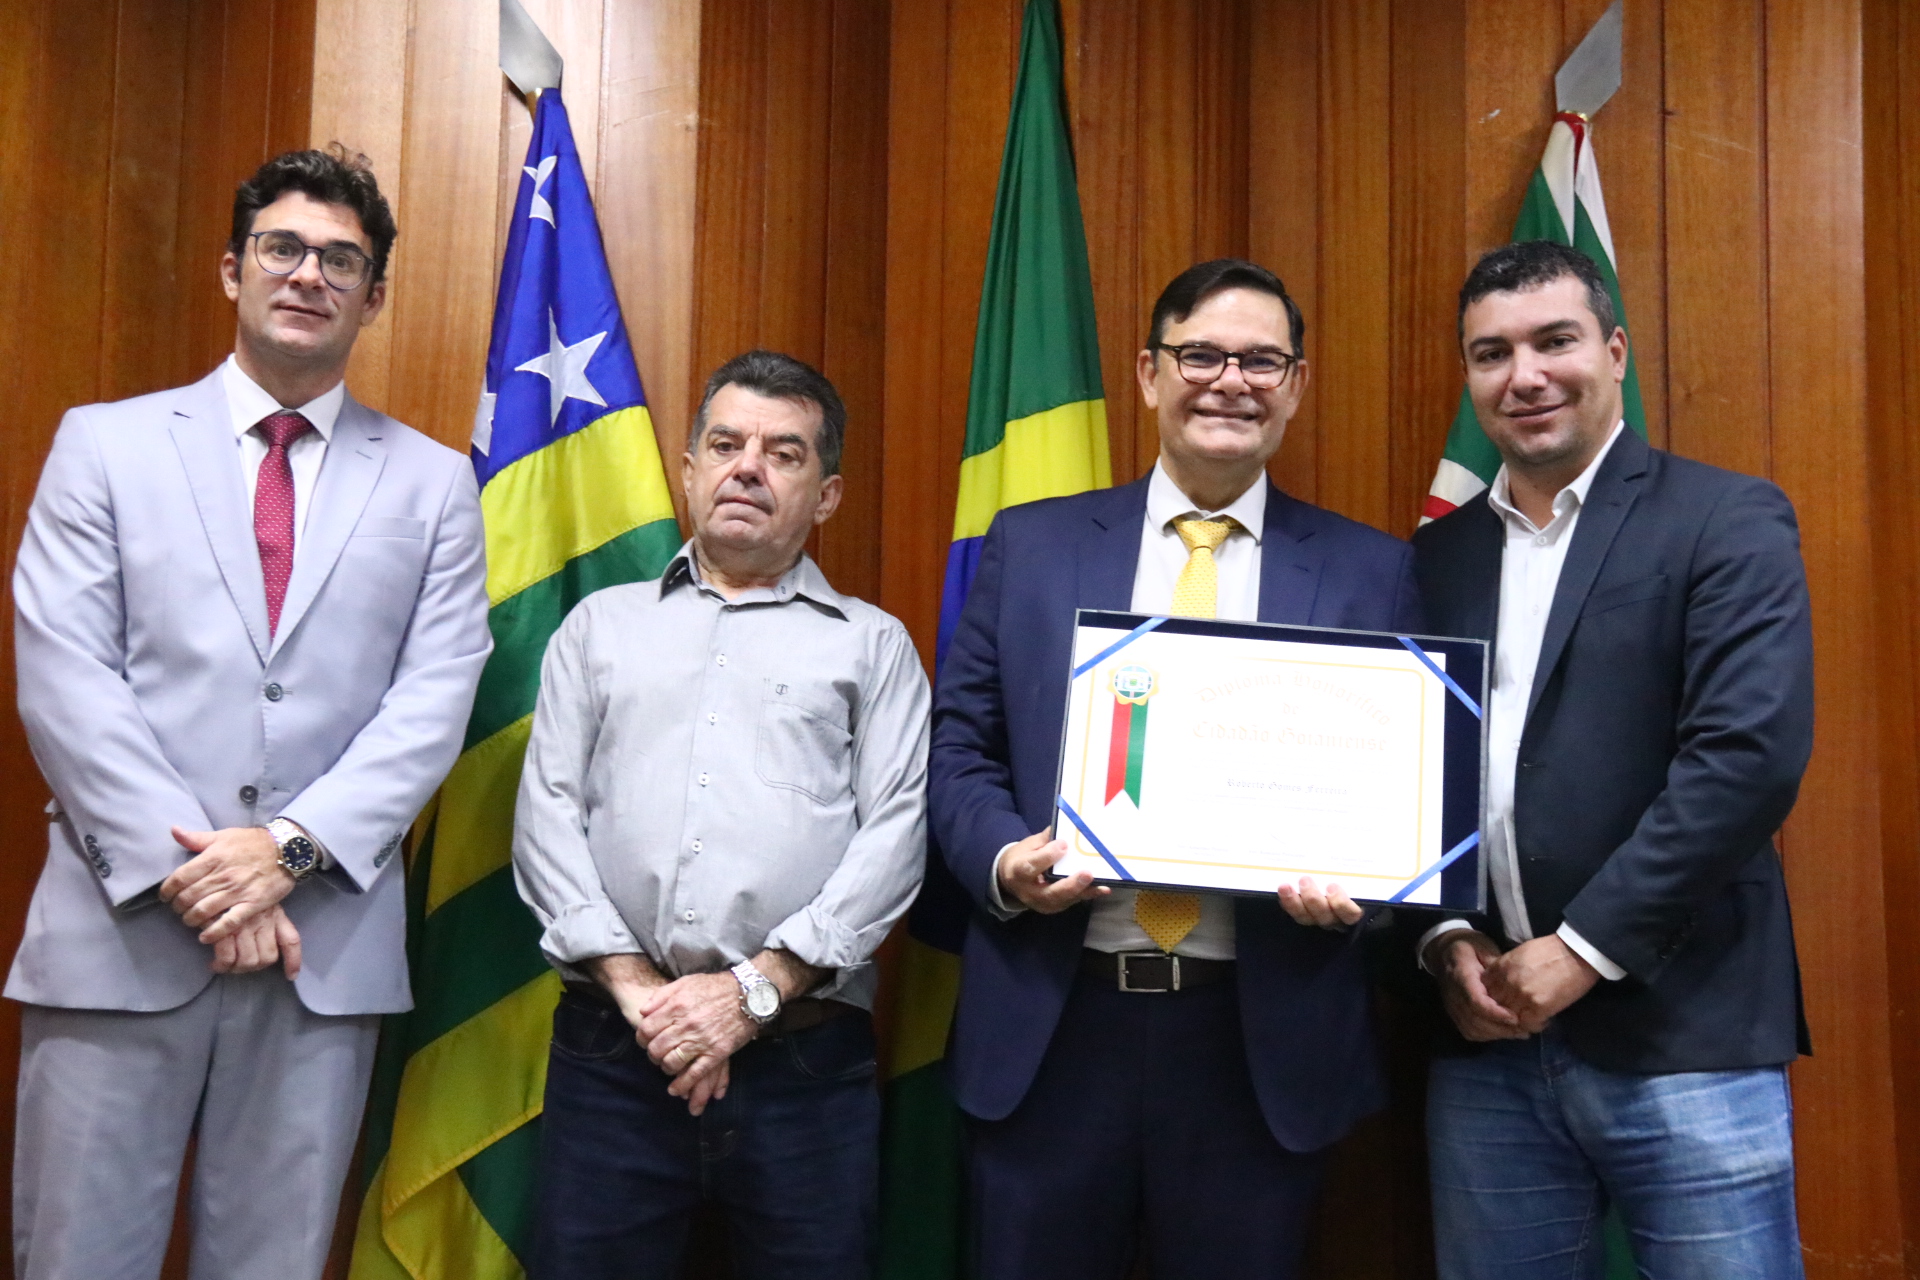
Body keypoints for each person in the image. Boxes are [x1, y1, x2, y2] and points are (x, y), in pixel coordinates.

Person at [9, 146, 491, 1279]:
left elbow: (435, 696)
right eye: (283, 248)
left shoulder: (433, 484)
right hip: (119, 935)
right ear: (234, 269)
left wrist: (286, 852)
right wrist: (202, 878)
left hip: (318, 950)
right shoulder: (104, 444)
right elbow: (65, 674)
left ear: (373, 296)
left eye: (341, 260)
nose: (308, 274)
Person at [929, 259, 1422, 1280]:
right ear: (1149, 373)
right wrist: (1007, 860)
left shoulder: (1373, 571)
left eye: (1261, 361)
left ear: (1297, 385)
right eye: (1200, 355)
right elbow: (960, 746)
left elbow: (1397, 792)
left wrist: (1363, 892)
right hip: (1055, 1027)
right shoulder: (1033, 545)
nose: (1230, 381)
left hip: (1258, 1040)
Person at [1412, 239, 1813, 1278]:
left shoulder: (1724, 518)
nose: (1526, 375)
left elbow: (1747, 759)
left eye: (1555, 340)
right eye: (1492, 353)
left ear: (1616, 351)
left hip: (1685, 1033)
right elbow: (1416, 771)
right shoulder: (1437, 556)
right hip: (1487, 1037)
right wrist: (1445, 939)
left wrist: (1583, 948)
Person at [513, 349, 930, 1279]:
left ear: (826, 495)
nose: (747, 468)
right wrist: (642, 995)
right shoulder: (599, 628)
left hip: (803, 1069)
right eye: (726, 444)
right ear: (690, 468)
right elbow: (545, 817)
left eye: (784, 454)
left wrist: (750, 996)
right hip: (616, 1054)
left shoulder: (875, 647)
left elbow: (897, 837)